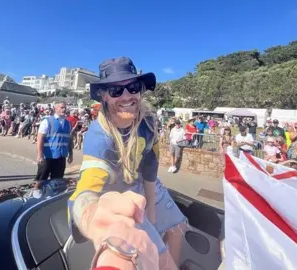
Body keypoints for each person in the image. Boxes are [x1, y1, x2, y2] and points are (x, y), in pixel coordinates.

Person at [68, 57, 186, 269]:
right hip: (115, 195)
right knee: (158, 258)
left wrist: (150, 208)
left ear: (140, 90)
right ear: (103, 96)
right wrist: (97, 222)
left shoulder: (148, 123)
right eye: (115, 91)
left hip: (141, 182)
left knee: (178, 227)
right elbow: (84, 192)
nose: (126, 96)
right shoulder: (99, 138)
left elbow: (150, 163)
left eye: (132, 87)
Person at [35, 101, 74, 191]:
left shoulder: (68, 124)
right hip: (47, 156)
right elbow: (40, 138)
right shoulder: (47, 121)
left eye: (65, 108)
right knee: (40, 180)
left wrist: (71, 154)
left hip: (61, 157)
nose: (64, 109)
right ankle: (36, 197)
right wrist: (39, 154)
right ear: (55, 108)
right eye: (61, 107)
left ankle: (51, 198)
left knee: (57, 181)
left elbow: (69, 140)